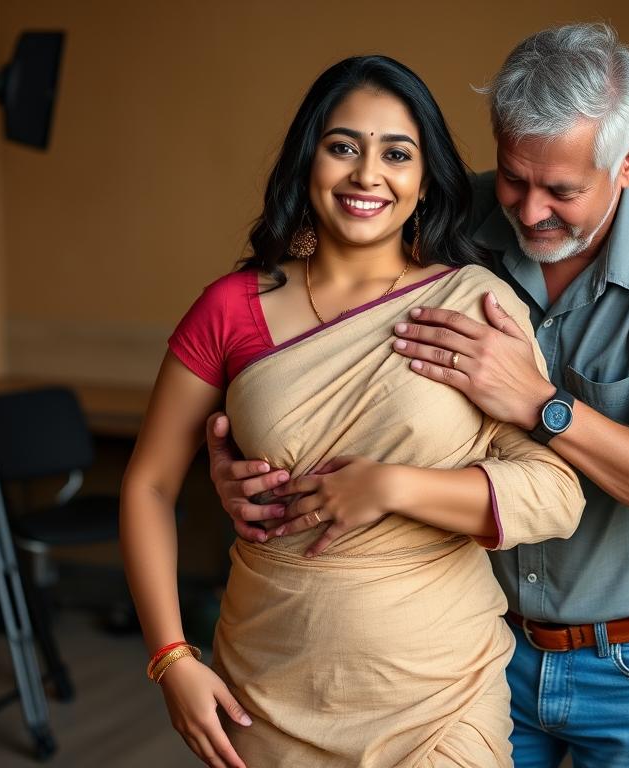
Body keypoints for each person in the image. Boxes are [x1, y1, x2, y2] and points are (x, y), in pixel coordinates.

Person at [209, 24, 629, 767]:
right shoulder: (449, 218)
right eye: (512, 178)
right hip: (472, 650)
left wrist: (541, 404)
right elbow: (307, 319)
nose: (528, 212)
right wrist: (241, 457)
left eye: (562, 190)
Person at [120, 55, 585, 768]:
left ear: (425, 179)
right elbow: (149, 483)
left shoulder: (472, 306)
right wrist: (171, 657)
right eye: (344, 147)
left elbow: (555, 492)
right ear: (309, 161)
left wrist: (394, 487)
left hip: (441, 697)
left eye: (397, 154)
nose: (368, 174)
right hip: (266, 692)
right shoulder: (230, 307)